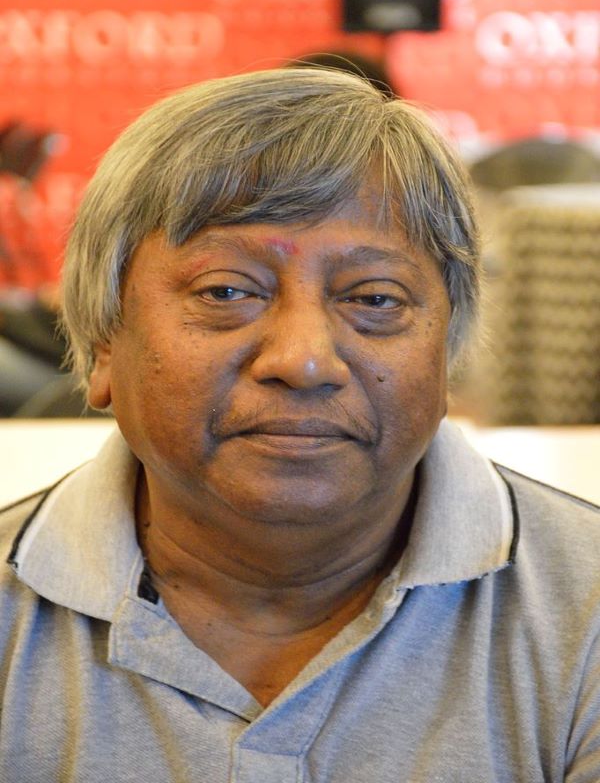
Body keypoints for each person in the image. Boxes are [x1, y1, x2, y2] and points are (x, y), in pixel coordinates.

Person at [0, 68, 598, 783]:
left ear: (447, 352)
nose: (305, 360)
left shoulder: (586, 615)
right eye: (227, 291)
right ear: (104, 342)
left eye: (375, 298)